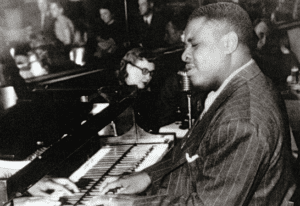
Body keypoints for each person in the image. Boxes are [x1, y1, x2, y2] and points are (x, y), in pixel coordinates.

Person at [88, 3, 296, 206]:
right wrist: (148, 176)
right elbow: (191, 153)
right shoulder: (242, 85)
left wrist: (130, 203)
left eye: (194, 45)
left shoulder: (242, 120)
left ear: (228, 43)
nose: (183, 55)